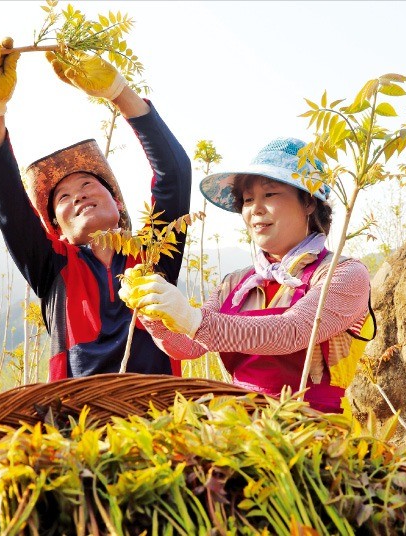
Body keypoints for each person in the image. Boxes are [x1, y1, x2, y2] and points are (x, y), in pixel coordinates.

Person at [0, 38, 191, 381]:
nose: (79, 197)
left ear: (117, 202)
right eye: (63, 198)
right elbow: (8, 202)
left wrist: (118, 92)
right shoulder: (53, 266)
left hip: (162, 424)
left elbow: (173, 174)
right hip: (76, 427)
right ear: (58, 229)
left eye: (88, 185)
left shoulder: (152, 255)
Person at [120, 138, 373, 413]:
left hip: (314, 428)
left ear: (309, 202)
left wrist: (193, 319)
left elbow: (294, 330)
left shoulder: (343, 274)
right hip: (242, 425)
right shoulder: (235, 283)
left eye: (270, 194)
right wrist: (156, 315)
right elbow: (189, 347)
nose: (255, 209)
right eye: (248, 199)